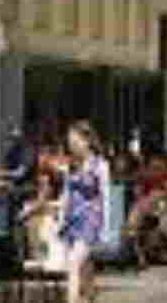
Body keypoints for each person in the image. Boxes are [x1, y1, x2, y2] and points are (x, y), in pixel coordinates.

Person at [59, 121, 104, 303]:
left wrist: (107, 229)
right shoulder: (72, 165)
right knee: (83, 269)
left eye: (74, 140)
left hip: (90, 220)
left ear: (86, 141)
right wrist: (61, 217)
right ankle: (88, 297)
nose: (71, 145)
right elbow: (66, 194)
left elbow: (106, 195)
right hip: (72, 220)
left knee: (74, 262)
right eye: (69, 141)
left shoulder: (99, 165)